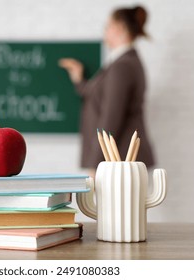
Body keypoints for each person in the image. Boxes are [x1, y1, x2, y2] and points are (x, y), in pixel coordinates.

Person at [59, 5, 155, 178]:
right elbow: (101, 99)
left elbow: (111, 117)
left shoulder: (122, 66)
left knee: (120, 206)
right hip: (119, 161)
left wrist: (96, 164)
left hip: (120, 162)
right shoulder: (121, 63)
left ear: (119, 28)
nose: (105, 32)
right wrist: (80, 81)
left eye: (107, 26)